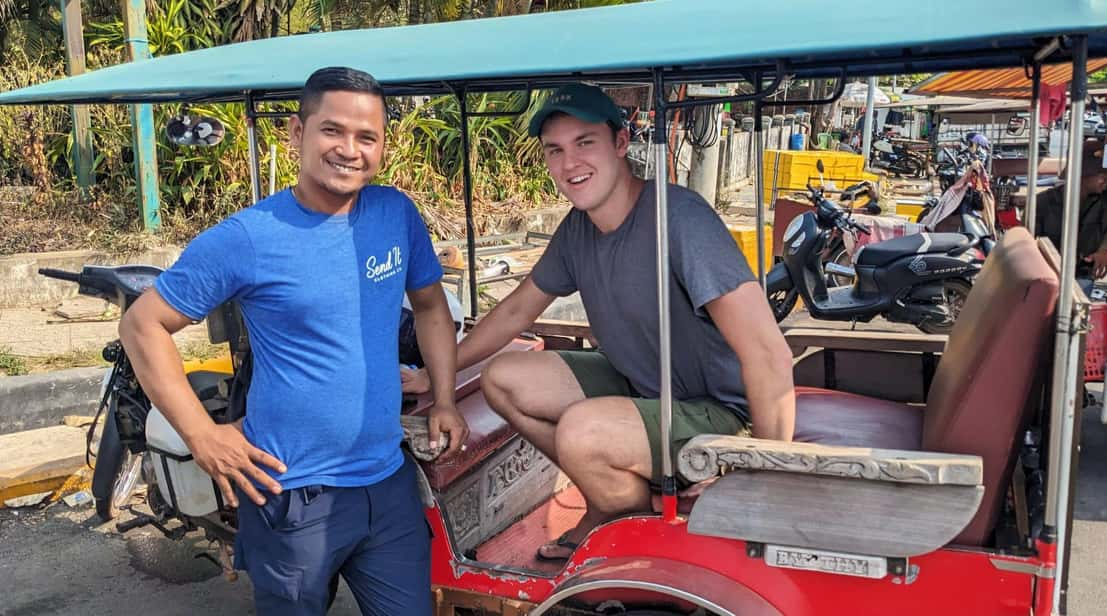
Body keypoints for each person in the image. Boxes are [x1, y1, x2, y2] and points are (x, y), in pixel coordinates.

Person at [119, 67, 469, 616]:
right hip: (291, 493)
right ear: (295, 133)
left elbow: (429, 306)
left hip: (387, 482)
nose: (349, 150)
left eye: (366, 137)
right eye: (332, 131)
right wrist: (203, 437)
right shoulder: (249, 238)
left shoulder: (394, 213)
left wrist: (444, 398)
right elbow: (143, 325)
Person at [402, 83, 797, 562]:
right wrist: (434, 375)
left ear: (621, 143)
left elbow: (767, 352)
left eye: (584, 142)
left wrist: (759, 474)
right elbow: (513, 311)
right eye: (555, 150)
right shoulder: (577, 230)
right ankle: (616, 503)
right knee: (504, 379)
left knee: (582, 431)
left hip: (722, 415)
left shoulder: (680, 220)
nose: (570, 164)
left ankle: (633, 523)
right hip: (644, 387)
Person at [1032, 140, 1107, 292]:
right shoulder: (1042, 203)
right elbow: (1028, 242)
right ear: (1083, 174)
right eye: (1102, 174)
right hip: (1046, 280)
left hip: (1083, 279)